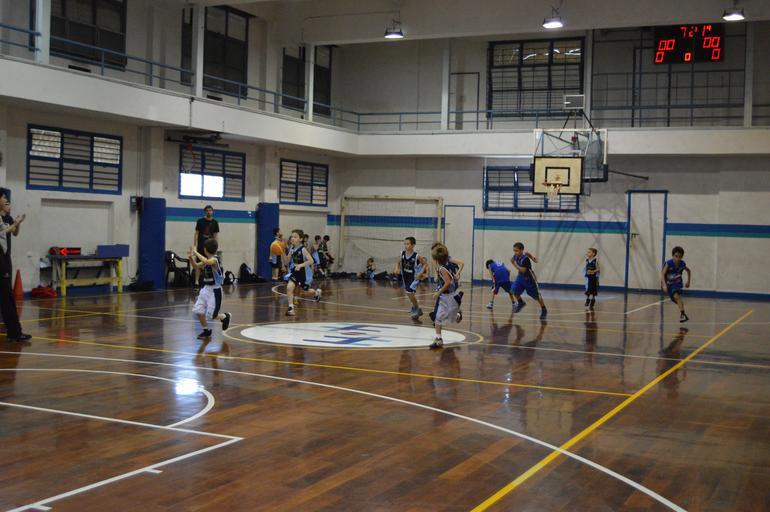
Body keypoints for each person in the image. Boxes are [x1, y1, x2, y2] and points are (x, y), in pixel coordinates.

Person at [0, 189, 30, 342]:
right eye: (3, 197)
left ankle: (14, 331)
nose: (6, 200)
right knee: (6, 297)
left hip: (5, 259)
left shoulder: (8, 217)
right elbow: (3, 232)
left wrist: (18, 224)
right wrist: (15, 224)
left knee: (7, 296)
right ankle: (14, 332)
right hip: (1, 259)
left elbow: (14, 233)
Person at [189, 238, 231, 339]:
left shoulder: (215, 260)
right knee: (198, 310)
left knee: (211, 315)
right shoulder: (207, 261)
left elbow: (207, 262)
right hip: (206, 289)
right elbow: (195, 266)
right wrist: (190, 257)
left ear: (205, 249)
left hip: (215, 291)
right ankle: (206, 331)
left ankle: (225, 317)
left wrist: (195, 252)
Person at [430, 244, 462, 349]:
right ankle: (438, 338)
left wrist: (438, 292)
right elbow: (452, 278)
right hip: (445, 296)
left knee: (450, 319)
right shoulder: (446, 265)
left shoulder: (442, 269)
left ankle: (458, 315)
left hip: (451, 296)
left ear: (436, 259)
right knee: (438, 317)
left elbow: (447, 283)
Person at [285, 229, 322, 316]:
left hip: (303, 274)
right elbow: (287, 261)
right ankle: (291, 309)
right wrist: (287, 253)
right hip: (295, 272)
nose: (292, 238)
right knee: (289, 288)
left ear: (300, 239)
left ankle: (316, 293)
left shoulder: (303, 249)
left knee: (306, 291)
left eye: (295, 237)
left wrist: (300, 265)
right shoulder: (292, 248)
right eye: (292, 237)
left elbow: (311, 261)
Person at [393, 236, 428, 320]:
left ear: (413, 245)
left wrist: (421, 273)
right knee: (409, 293)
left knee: (410, 292)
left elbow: (425, 264)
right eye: (405, 244)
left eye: (407, 244)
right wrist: (397, 268)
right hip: (405, 276)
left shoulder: (416, 256)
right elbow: (398, 262)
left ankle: (416, 307)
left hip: (414, 277)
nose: (406, 245)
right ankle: (416, 308)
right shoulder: (402, 253)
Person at [511, 242, 547, 319]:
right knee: (513, 290)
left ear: (521, 250)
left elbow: (523, 270)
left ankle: (544, 309)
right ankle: (521, 303)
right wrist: (530, 256)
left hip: (529, 279)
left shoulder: (525, 259)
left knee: (536, 296)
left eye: (516, 251)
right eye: (514, 251)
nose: (515, 252)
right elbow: (513, 259)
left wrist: (514, 264)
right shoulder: (516, 256)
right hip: (520, 277)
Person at [661, 246, 691, 322]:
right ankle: (683, 313)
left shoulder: (682, 264)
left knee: (676, 296)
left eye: (680, 257)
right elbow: (662, 274)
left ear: (682, 257)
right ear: (673, 256)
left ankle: (682, 314)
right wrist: (664, 285)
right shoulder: (668, 263)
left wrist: (688, 281)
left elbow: (688, 271)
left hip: (677, 283)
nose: (677, 258)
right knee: (675, 299)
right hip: (669, 284)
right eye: (676, 256)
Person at [193, 205, 219, 285]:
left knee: (210, 263)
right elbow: (196, 234)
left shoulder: (215, 222)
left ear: (212, 212)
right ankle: (196, 282)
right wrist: (194, 245)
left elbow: (215, 236)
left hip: (210, 248)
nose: (209, 212)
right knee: (199, 263)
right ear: (205, 212)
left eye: (210, 210)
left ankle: (213, 280)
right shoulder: (200, 221)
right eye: (207, 211)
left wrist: (216, 247)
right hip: (201, 246)